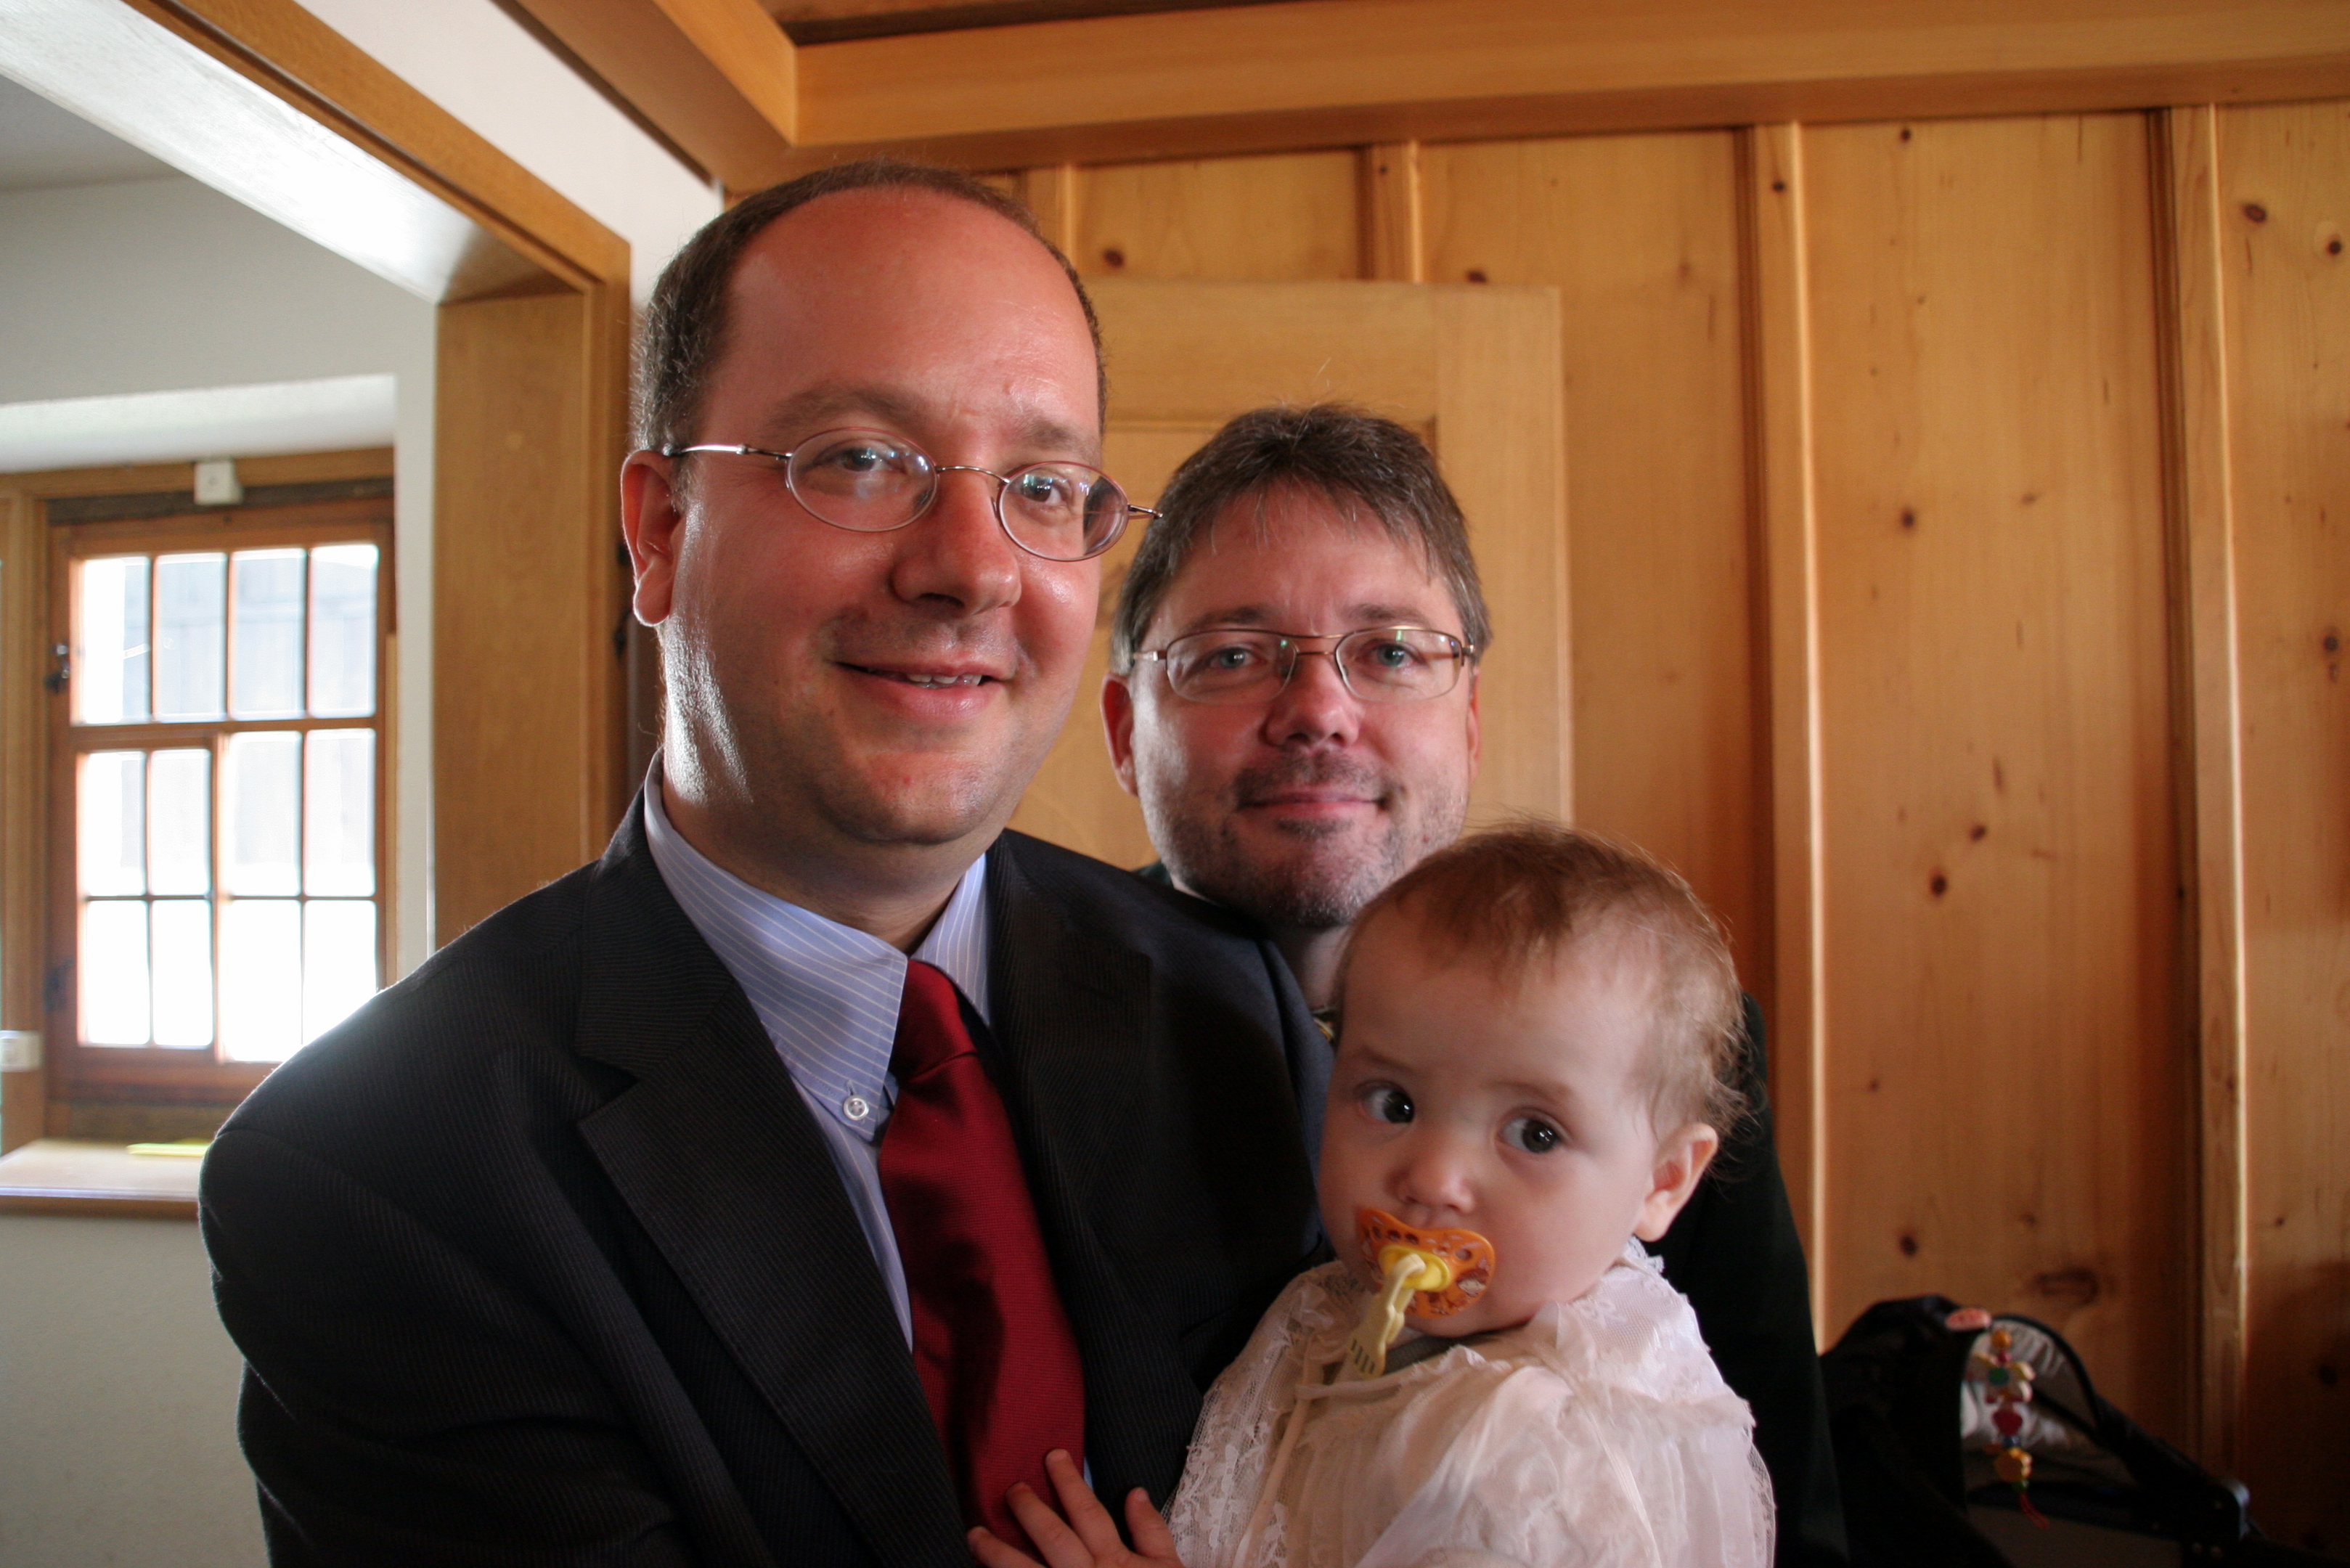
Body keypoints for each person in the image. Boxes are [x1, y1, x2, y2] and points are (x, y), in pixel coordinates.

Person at [198, 163, 1329, 1566]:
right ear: (661, 530)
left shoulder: (1227, 1010)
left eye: (1041, 487)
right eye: (859, 460)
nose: (973, 568)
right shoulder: (380, 1171)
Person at [1101, 406, 1847, 1564]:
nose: (1318, 712)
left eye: (1392, 652)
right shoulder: (1016, 1025)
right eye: (1233, 655)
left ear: (1470, 718)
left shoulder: (1657, 1045)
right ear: (1124, 729)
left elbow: (1788, 1518)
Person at [971, 825, 1778, 1568]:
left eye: (1534, 1134)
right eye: (1393, 1103)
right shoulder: (1331, 1310)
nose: (1431, 1178)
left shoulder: (1544, 1456)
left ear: (1663, 1180)